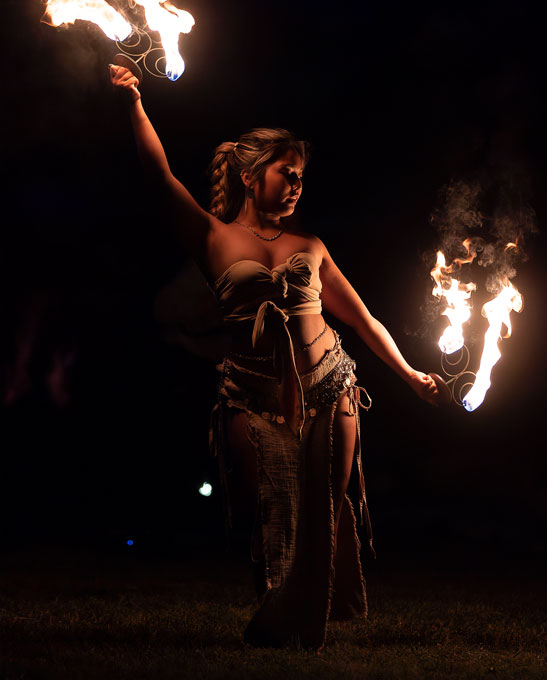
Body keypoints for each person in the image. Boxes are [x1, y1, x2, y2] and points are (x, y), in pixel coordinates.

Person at [109, 63, 441, 651]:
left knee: (324, 505)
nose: (297, 185)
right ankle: (283, 611)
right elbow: (157, 174)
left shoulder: (310, 247)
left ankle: (298, 624)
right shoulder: (212, 236)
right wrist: (134, 100)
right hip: (251, 394)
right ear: (248, 173)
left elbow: (361, 318)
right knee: (278, 505)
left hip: (328, 384)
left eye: (302, 177)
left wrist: (411, 376)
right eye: (287, 173)